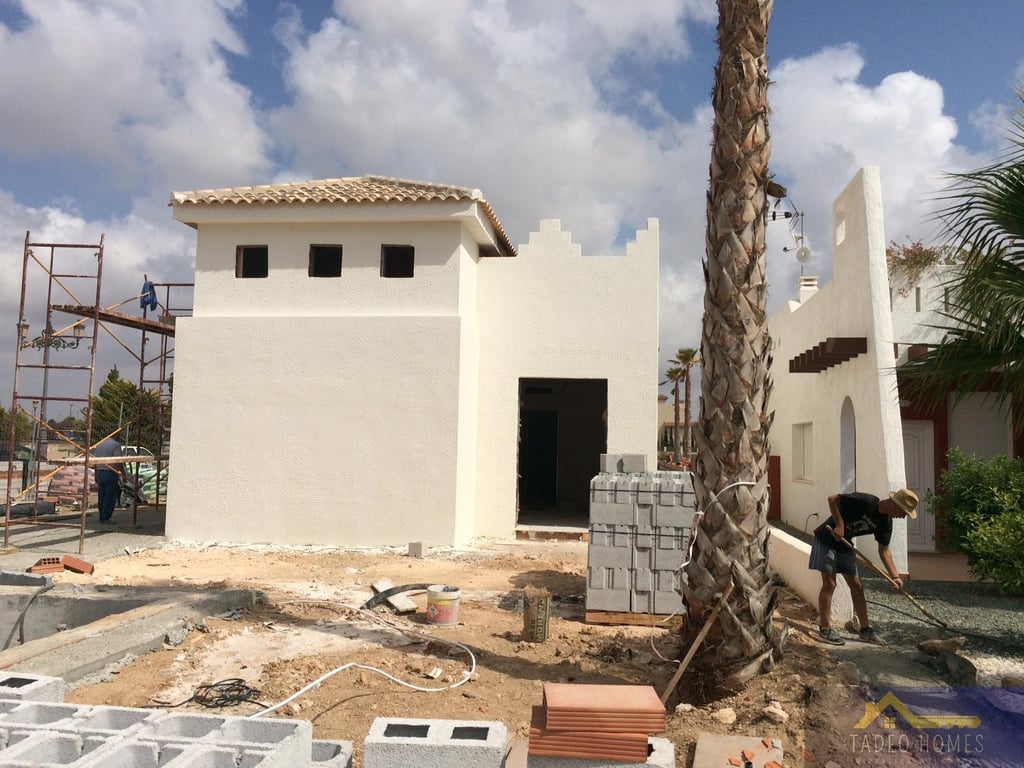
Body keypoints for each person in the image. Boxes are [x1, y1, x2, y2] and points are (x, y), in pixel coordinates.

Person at [809, 488, 919, 645]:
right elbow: (832, 499)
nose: (903, 516)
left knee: (857, 586)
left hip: (845, 544)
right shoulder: (867, 501)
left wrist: (895, 576)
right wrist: (840, 524)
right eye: (903, 512)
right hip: (827, 538)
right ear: (895, 504)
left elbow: (884, 550)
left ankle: (865, 630)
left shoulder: (886, 522)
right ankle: (825, 629)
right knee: (830, 584)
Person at [93, 436, 123, 525]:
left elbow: (95, 461)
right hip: (110, 472)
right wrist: (123, 474)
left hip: (100, 472)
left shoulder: (99, 445)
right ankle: (106, 517)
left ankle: (102, 516)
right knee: (110, 496)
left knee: (102, 495)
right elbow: (118, 461)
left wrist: (95, 474)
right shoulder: (115, 445)